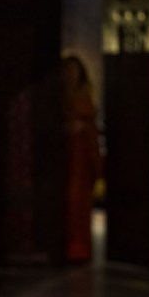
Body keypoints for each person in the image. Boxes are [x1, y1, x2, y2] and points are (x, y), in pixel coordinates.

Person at [61, 55, 103, 263]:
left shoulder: (85, 97)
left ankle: (80, 250)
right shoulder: (60, 98)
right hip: (65, 157)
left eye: (74, 71)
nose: (71, 75)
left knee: (80, 204)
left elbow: (91, 128)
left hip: (82, 157)